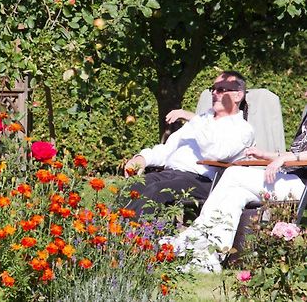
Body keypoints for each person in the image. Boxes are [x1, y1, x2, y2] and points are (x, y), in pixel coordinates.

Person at [172, 110, 307, 273]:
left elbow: (294, 158)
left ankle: (196, 235)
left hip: (302, 185)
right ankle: (211, 258)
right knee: (234, 196)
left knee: (234, 173)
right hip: (290, 177)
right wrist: (265, 155)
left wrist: (283, 160)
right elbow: (296, 154)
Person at [123, 71, 254, 218]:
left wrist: (192, 118)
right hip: (170, 174)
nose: (215, 94)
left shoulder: (242, 129)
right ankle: (108, 232)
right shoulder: (201, 120)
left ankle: (132, 236)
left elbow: (216, 153)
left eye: (221, 89)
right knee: (134, 185)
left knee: (156, 190)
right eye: (214, 89)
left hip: (202, 181)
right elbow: (168, 149)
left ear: (238, 95)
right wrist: (142, 158)